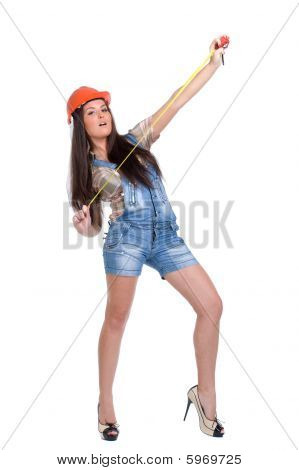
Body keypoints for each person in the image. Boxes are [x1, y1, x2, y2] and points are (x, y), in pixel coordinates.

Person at [66, 36, 228, 440]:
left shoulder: (136, 141)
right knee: (116, 320)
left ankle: (204, 395)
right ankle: (106, 402)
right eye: (92, 111)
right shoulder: (87, 171)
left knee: (211, 307)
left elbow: (176, 100)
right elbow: (91, 228)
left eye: (104, 108)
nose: (102, 114)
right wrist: (82, 223)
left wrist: (211, 63)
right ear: (80, 123)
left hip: (166, 237)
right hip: (126, 242)